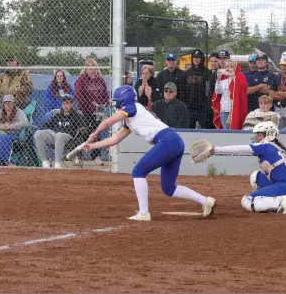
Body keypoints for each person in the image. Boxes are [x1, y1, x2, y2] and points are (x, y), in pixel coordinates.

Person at [84, 85, 217, 221]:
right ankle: (206, 201)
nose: (116, 105)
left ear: (123, 101)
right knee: (168, 188)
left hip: (167, 141)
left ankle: (143, 213)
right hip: (174, 142)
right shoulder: (131, 119)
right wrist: (92, 146)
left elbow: (107, 122)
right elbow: (114, 139)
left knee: (138, 171)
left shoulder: (132, 107)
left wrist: (95, 134)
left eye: (117, 102)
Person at [209, 121, 286, 214]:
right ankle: (268, 199)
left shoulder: (265, 146)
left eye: (260, 135)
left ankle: (279, 201)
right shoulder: (277, 147)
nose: (257, 138)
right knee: (255, 177)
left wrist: (216, 149)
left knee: (247, 201)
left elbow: (240, 148)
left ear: (269, 134)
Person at [74, 58, 109, 166]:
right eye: (88, 66)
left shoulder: (100, 79)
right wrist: (90, 104)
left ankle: (96, 156)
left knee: (96, 133)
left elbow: (105, 96)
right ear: (85, 67)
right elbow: (78, 95)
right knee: (86, 133)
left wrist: (102, 104)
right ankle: (78, 155)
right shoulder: (81, 79)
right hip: (85, 111)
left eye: (92, 66)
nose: (90, 68)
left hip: (98, 112)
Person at [34, 94, 83, 169]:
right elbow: (47, 125)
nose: (65, 105)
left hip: (69, 138)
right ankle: (45, 162)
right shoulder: (58, 115)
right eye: (63, 103)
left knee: (59, 135)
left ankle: (57, 164)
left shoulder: (76, 116)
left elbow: (81, 129)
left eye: (67, 103)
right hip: (55, 137)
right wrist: (40, 129)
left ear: (71, 104)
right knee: (38, 133)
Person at [213, 60, 248, 130]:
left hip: (236, 109)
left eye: (231, 66)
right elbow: (218, 92)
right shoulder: (223, 81)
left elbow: (244, 88)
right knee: (226, 131)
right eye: (227, 67)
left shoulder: (240, 78)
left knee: (236, 130)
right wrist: (218, 80)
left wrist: (234, 78)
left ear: (236, 68)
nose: (229, 68)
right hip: (224, 109)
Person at [183, 49, 211, 129]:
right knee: (189, 128)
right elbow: (184, 90)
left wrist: (207, 105)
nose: (195, 59)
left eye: (198, 57)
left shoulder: (207, 72)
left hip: (203, 108)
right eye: (194, 57)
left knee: (205, 129)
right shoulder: (187, 73)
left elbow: (208, 90)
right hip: (190, 107)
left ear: (201, 59)